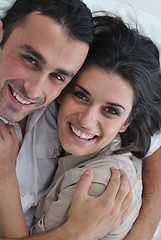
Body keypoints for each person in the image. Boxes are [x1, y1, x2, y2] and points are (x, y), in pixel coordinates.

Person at [1, 13, 161, 240]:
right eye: (81, 95)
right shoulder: (48, 92)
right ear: (64, 90)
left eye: (111, 110)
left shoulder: (94, 184)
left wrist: (76, 232)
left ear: (127, 122)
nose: (86, 120)